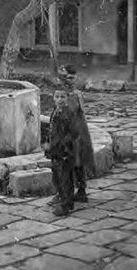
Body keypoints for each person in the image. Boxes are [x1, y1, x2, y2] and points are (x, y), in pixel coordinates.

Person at [50, 64, 95, 204]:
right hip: (72, 133)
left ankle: (71, 193)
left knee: (74, 163)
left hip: (75, 134)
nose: (69, 81)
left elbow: (72, 115)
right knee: (72, 163)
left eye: (71, 78)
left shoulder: (73, 96)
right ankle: (73, 192)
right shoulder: (65, 94)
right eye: (66, 78)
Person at [46, 88, 83, 216]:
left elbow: (74, 133)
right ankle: (62, 198)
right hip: (55, 150)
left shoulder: (69, 114)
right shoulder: (55, 111)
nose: (59, 100)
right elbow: (51, 129)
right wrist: (48, 144)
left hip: (65, 152)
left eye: (63, 97)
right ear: (53, 98)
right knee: (57, 177)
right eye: (57, 97)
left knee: (65, 178)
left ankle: (66, 204)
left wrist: (65, 148)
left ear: (67, 98)